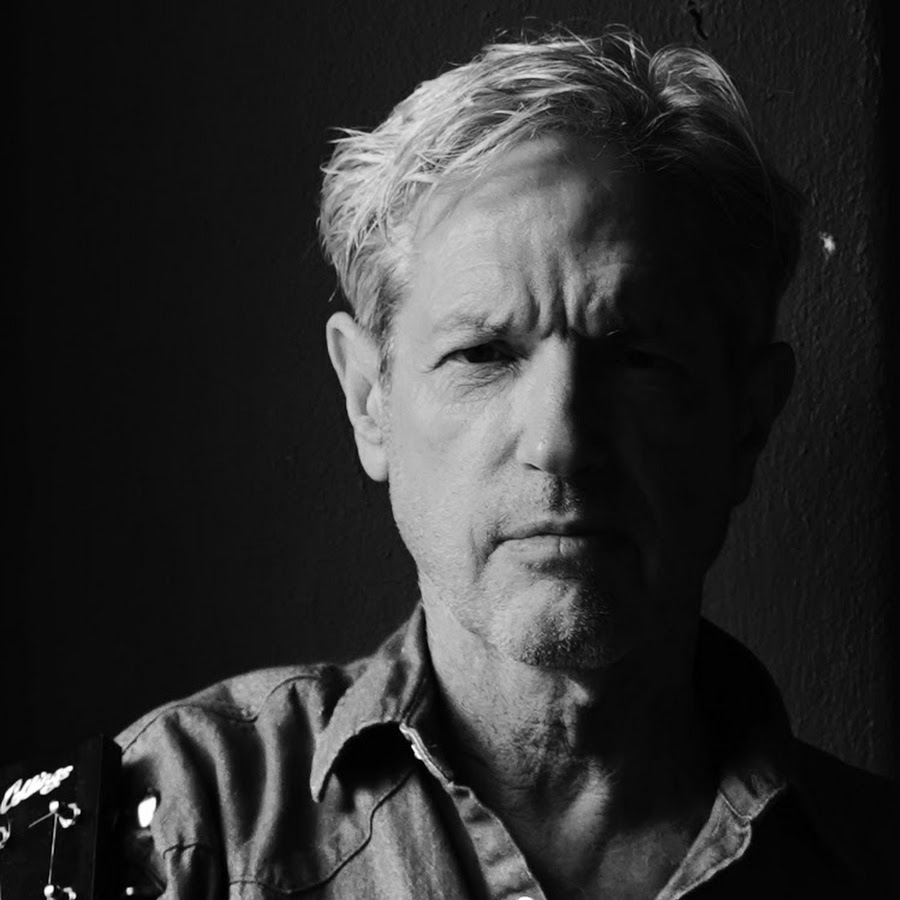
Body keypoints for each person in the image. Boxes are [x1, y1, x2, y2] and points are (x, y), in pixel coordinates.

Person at [116, 28, 896, 899]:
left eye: (639, 358)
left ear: (747, 421)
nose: (558, 442)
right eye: (482, 354)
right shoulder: (176, 826)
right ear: (370, 401)